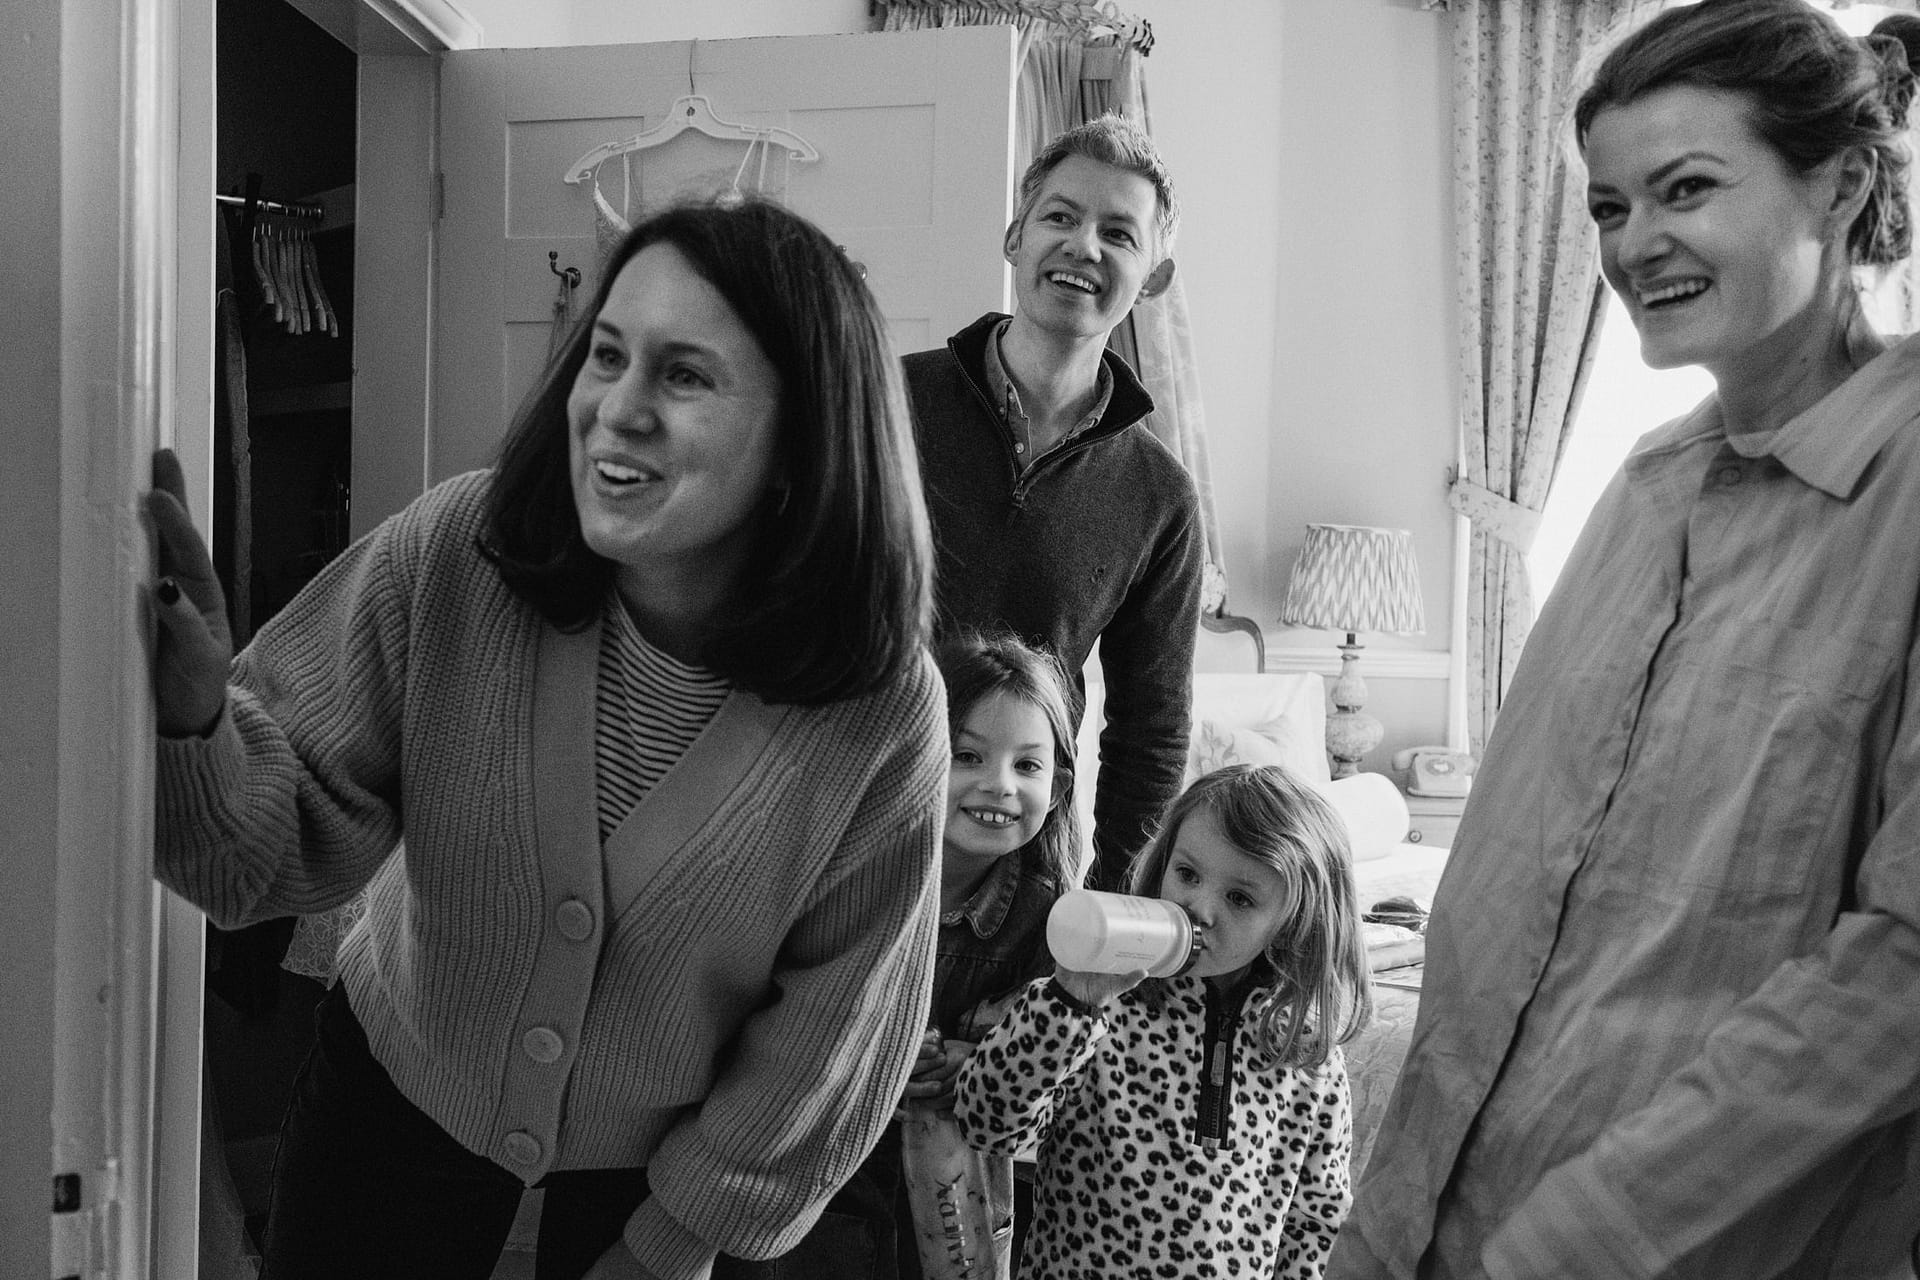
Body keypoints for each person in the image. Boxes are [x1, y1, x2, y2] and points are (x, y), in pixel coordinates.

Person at [147, 195, 950, 1280]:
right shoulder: (453, 556)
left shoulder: (881, 716)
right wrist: (195, 721)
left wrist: (665, 1248)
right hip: (383, 1129)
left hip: (649, 1195)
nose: (617, 408)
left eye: (684, 374)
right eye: (606, 356)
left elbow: (832, 1035)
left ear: (805, 439)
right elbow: (262, 856)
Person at [1333, 5, 1920, 1276]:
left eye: (1686, 188)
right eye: (1610, 206)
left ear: (1841, 186)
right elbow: (1498, 895)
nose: (1635, 241)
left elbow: (1899, 972)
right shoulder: (1646, 488)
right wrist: (1385, 1220)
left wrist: (1575, 1241)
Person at [715, 629, 1080, 1280]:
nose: (999, 785)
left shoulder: (1052, 920)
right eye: (967, 756)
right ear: (915, 757)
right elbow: (768, 1015)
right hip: (818, 1164)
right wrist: (880, 1060)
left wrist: (975, 1063)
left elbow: (1051, 1073)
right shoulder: (852, 875)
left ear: (1056, 790)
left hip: (953, 1196)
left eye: (1027, 766)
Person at [901, 114, 1205, 894]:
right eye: (1061, 217)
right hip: (847, 834)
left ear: (1154, 278)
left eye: (1119, 234)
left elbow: (1151, 733)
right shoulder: (884, 401)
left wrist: (1115, 903)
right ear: (1016, 237)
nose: (1084, 247)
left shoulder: (1162, 497)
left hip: (1016, 873)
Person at [955, 763, 1372, 1280]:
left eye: (1240, 898)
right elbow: (987, 1123)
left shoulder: (1304, 1051)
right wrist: (1068, 1002)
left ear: (1293, 922)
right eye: (1188, 874)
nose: (1199, 907)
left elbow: (1316, 1222)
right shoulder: (1099, 1006)